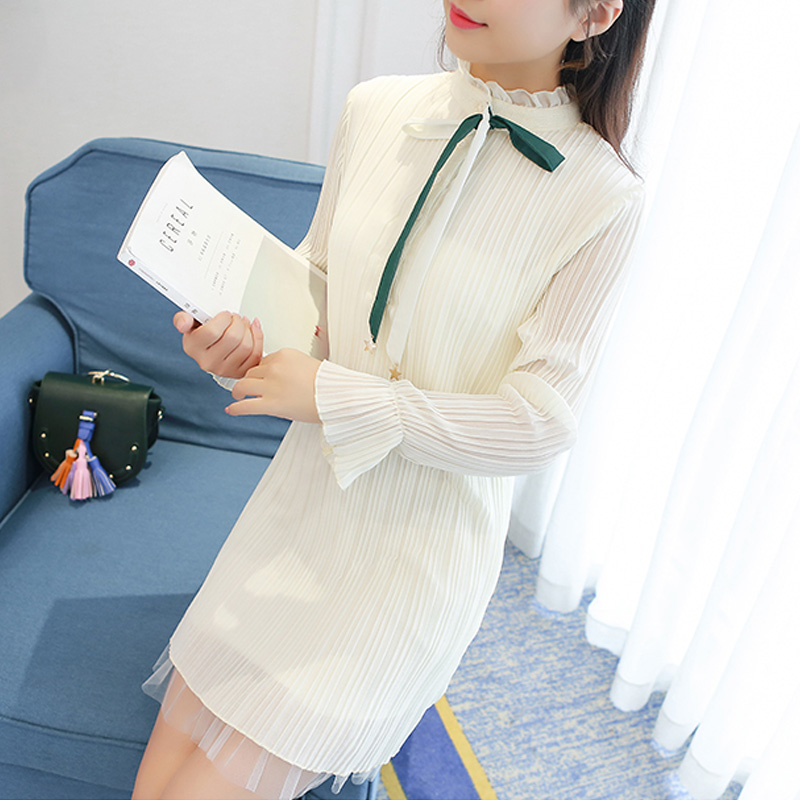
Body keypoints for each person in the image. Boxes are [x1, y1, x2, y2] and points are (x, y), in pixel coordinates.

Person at [132, 0, 656, 797]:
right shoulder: (375, 109)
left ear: (594, 14)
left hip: (406, 576)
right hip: (289, 525)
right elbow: (318, 307)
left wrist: (338, 397)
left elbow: (539, 423)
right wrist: (238, 347)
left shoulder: (603, 198)